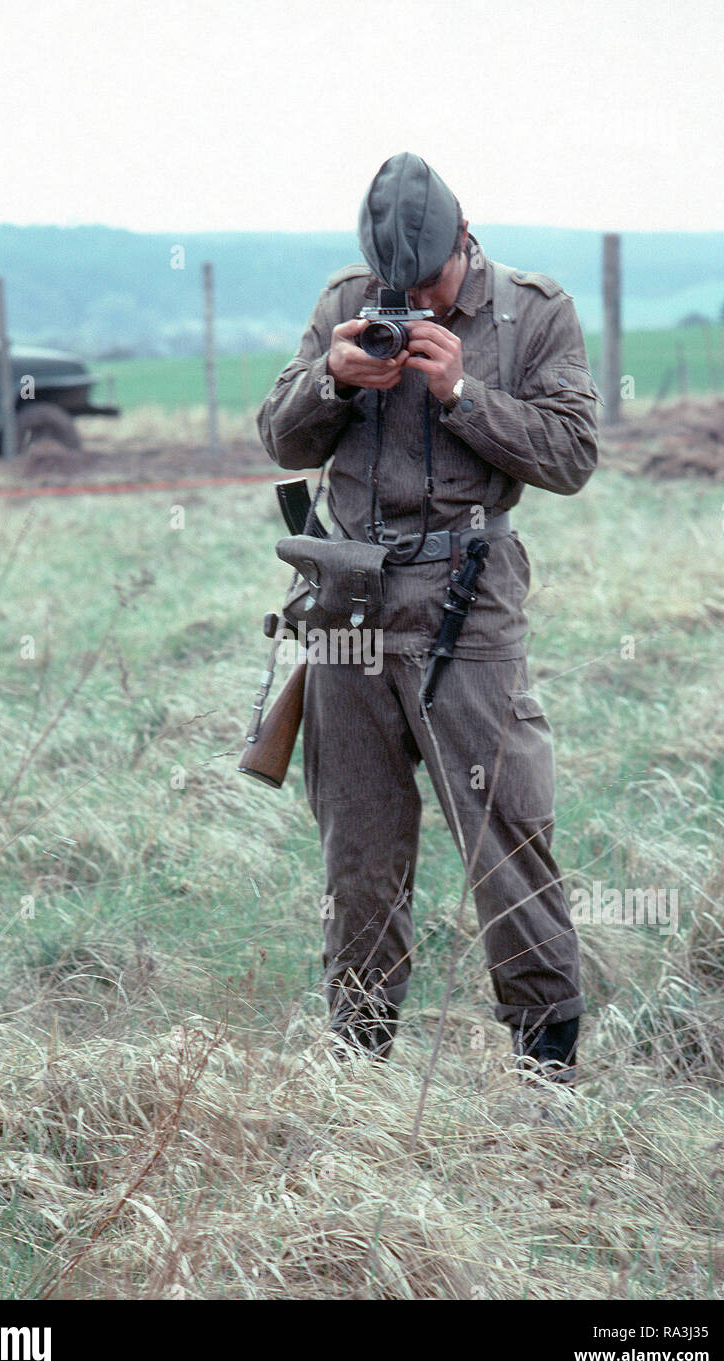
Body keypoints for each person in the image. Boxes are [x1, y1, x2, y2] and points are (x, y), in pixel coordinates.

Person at [257, 152, 601, 1086]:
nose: (408, 303)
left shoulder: (532, 311)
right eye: (393, 288)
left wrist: (462, 395)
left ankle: (545, 1069)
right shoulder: (345, 300)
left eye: (428, 286)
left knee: (506, 833)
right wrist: (329, 379)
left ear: (464, 237)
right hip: (349, 607)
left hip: (468, 606)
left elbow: (571, 456)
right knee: (357, 849)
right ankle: (359, 1063)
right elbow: (278, 440)